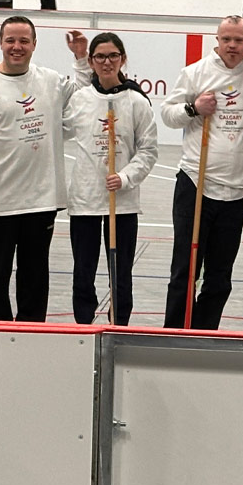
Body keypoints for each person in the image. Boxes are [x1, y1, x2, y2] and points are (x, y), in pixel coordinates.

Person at [0, 17, 90, 322]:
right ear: (1, 43)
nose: (17, 47)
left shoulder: (50, 81)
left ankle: (31, 334)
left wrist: (81, 58)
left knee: (35, 276)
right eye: (11, 40)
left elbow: (82, 95)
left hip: (41, 200)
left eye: (24, 41)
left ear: (34, 44)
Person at [161, 16, 243, 330]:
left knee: (220, 276)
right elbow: (168, 113)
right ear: (217, 41)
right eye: (227, 39)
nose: (232, 46)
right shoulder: (195, 72)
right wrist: (193, 108)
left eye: (239, 40)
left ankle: (203, 332)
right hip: (196, 183)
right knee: (186, 269)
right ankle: (174, 334)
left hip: (236, 191)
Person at [64, 32, 158, 325]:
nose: (107, 62)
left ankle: (120, 324)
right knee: (83, 273)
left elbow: (148, 149)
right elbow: (57, 131)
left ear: (123, 59)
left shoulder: (137, 102)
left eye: (113, 56)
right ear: (92, 61)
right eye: (100, 57)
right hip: (86, 202)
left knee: (120, 275)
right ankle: (83, 326)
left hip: (123, 204)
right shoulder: (79, 100)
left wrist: (126, 177)